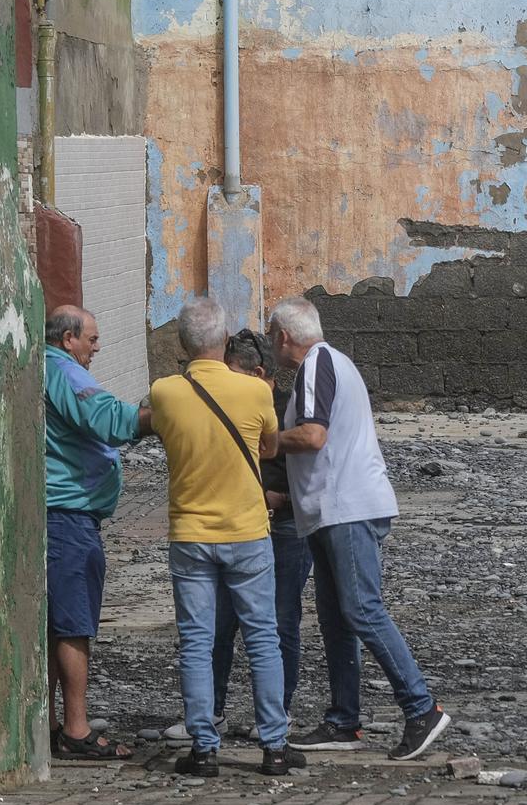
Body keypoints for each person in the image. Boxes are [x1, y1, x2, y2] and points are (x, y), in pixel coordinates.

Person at [269, 297, 452, 761]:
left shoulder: (315, 365)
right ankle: (343, 719)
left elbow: (313, 435)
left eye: (272, 337)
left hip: (344, 508)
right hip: (331, 511)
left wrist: (264, 442)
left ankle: (421, 707)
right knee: (335, 617)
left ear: (283, 336)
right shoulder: (333, 363)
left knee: (362, 609)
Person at [149, 298, 298, 778]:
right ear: (225, 338)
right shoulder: (255, 393)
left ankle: (203, 748)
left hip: (190, 533)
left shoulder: (165, 392)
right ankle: (274, 745)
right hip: (248, 531)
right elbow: (270, 446)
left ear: (182, 344)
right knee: (262, 638)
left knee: (196, 640)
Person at [43, 306, 150, 761]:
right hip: (68, 517)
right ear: (68, 339)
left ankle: (52, 722)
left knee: (58, 622)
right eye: (91, 338)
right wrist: (160, 413)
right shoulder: (64, 372)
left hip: (64, 513)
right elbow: (107, 417)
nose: (97, 347)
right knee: (73, 622)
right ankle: (76, 727)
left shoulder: (47, 368)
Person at [210, 329, 314, 725]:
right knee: (221, 622)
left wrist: (278, 500)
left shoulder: (289, 413)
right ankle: (213, 710)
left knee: (280, 619)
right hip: (235, 526)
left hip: (283, 527)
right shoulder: (224, 408)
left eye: (232, 373)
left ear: (257, 374)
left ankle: (276, 713)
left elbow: (310, 477)